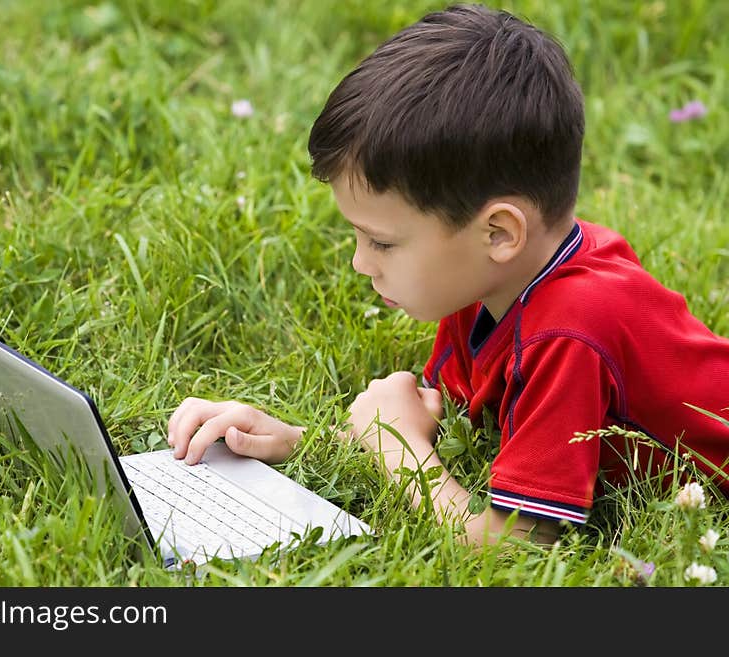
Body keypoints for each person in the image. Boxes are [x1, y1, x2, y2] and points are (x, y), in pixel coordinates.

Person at [166, 3, 729, 547]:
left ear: (499, 234)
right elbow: (444, 421)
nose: (360, 262)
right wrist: (287, 440)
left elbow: (514, 545)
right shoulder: (491, 279)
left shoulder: (569, 331)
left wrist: (401, 452)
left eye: (383, 241)